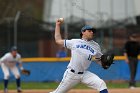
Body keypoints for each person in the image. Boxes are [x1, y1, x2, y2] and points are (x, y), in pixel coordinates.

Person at [49, 19, 109, 93]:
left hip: (84, 74)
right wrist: (57, 25)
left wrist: (104, 64)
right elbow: (58, 40)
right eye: (89, 31)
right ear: (83, 32)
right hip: (72, 74)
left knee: (101, 84)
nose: (92, 32)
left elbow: (99, 59)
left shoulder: (96, 46)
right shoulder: (74, 42)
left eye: (92, 31)